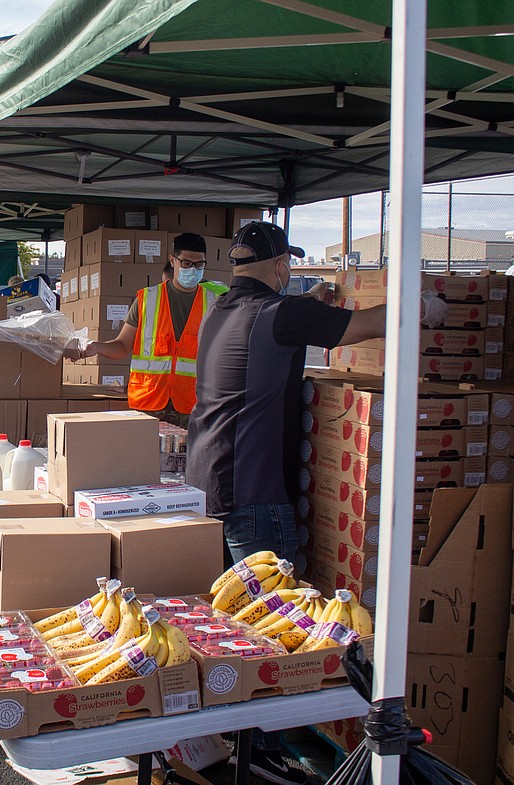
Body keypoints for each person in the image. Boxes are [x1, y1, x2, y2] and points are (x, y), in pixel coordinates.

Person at [184, 221, 446, 785]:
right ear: (280, 266)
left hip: (209, 486)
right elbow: (364, 326)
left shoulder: (220, 313)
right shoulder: (281, 315)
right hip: (255, 493)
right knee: (278, 637)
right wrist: (420, 306)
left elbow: (295, 321)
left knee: (234, 626)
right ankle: (274, 756)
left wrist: (313, 301)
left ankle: (243, 741)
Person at [69, 233, 226, 427]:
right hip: (150, 404)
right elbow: (123, 345)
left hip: (193, 407)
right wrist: (96, 347)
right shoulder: (147, 299)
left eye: (199, 265)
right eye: (186, 263)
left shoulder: (214, 303)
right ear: (173, 261)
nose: (193, 270)